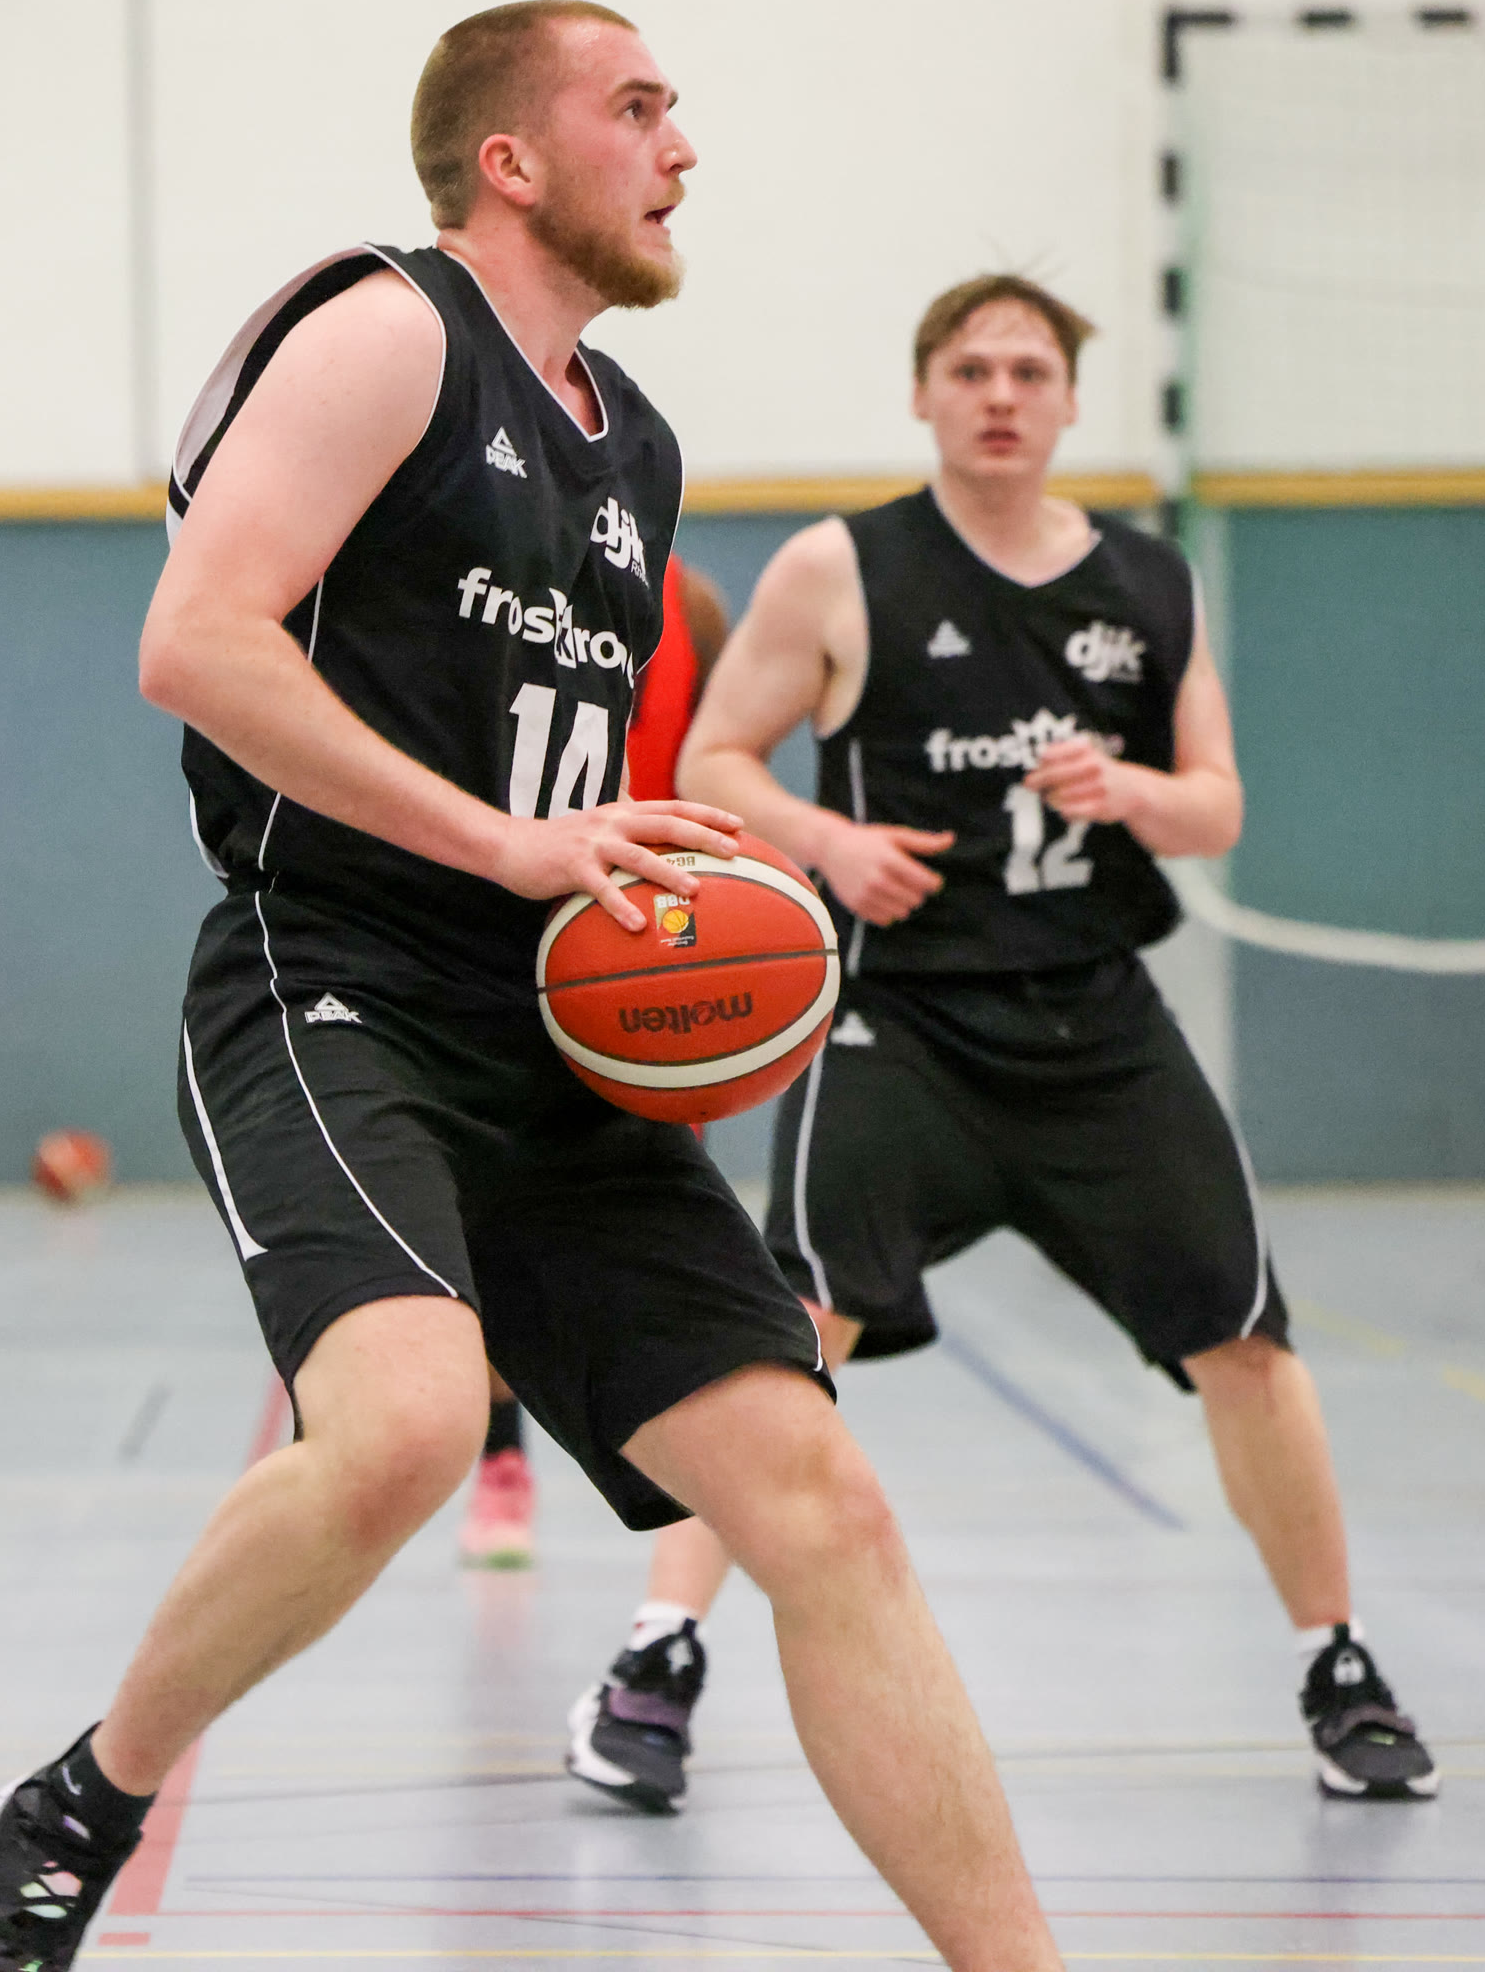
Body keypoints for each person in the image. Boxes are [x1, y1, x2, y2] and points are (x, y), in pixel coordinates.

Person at [0, 5, 1060, 1972]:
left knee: (820, 1505)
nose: (680, 148)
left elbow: (564, 797)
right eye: (637, 109)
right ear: (511, 161)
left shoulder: (638, 447)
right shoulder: (387, 330)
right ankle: (88, 1796)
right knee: (401, 1429)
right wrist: (505, 842)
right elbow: (197, 644)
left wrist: (666, 885)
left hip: (546, 1029)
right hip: (332, 979)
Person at [566, 272, 1439, 1815]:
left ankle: (1339, 1662)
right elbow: (713, 759)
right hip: (898, 1020)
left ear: (1070, 402)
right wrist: (829, 844)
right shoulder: (843, 568)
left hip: (1098, 1023)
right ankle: (656, 1655)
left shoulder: (1149, 583)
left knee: (1245, 1337)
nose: (1001, 395)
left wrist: (1138, 795)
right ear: (924, 393)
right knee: (784, 1336)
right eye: (971, 369)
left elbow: (1218, 806)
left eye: (1031, 371)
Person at [457, 554, 728, 1570]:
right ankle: (502, 1459)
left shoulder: (691, 606)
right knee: (485, 1231)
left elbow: (715, 770)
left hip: (647, 950)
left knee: (656, 1223)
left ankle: (685, 1468)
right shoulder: (484, 574)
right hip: (507, 927)